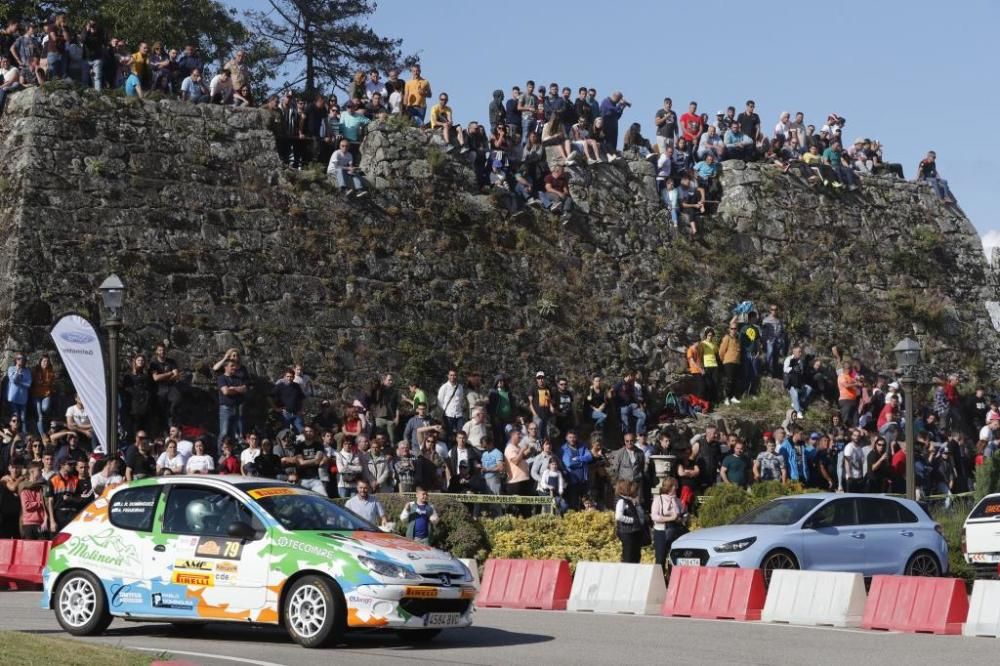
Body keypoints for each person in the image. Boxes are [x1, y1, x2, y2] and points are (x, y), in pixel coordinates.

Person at [650, 477, 684, 571]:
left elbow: (683, 513)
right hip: (661, 532)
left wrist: (681, 518)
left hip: (675, 531)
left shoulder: (677, 500)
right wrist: (670, 518)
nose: (676, 487)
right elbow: (654, 516)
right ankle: (660, 581)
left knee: (674, 558)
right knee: (660, 558)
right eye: (674, 485)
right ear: (669, 487)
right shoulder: (658, 499)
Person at [614, 480, 646, 564]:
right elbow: (618, 516)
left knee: (635, 555)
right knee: (628, 556)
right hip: (627, 532)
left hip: (634, 531)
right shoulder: (622, 501)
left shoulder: (629, 500)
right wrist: (632, 520)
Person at [18, 462, 47, 539]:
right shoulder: (23, 486)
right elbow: (27, 506)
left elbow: (46, 506)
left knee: (42, 548)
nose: (41, 472)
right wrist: (39, 503)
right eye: (39, 470)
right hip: (28, 523)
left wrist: (45, 520)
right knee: (29, 548)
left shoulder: (42, 486)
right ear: (32, 472)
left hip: (41, 523)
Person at [6, 353, 31, 430]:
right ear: (15, 360)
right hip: (13, 398)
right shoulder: (11, 368)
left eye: (22, 359)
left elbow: (28, 384)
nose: (20, 360)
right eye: (18, 358)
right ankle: (15, 437)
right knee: (15, 418)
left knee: (23, 418)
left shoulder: (27, 371)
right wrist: (17, 371)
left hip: (23, 399)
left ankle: (24, 436)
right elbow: (13, 380)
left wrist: (19, 382)